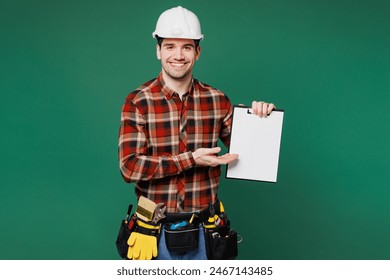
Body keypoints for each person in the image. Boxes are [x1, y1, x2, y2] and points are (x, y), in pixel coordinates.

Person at [118, 6, 276, 260]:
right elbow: (130, 167)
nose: (178, 55)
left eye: (186, 47)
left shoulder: (217, 100)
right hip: (152, 233)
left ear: (197, 52)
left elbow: (254, 158)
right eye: (170, 46)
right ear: (158, 50)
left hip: (206, 233)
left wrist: (261, 120)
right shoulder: (138, 101)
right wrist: (191, 159)